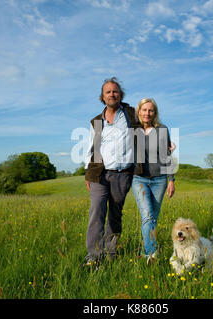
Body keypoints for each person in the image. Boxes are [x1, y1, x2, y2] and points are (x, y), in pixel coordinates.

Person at [84, 77, 140, 266]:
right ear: (102, 96)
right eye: (108, 91)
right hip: (99, 174)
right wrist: (87, 173)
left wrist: (165, 141)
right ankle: (94, 256)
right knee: (97, 211)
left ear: (120, 95)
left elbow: (150, 124)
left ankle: (110, 253)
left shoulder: (132, 114)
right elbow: (89, 148)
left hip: (123, 173)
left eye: (115, 91)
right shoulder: (96, 121)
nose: (112, 94)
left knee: (115, 214)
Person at [131, 98, 175, 265]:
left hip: (159, 180)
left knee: (152, 218)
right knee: (148, 216)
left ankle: (145, 251)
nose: (147, 113)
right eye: (144, 110)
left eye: (150, 110)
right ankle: (152, 255)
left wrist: (171, 180)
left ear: (154, 113)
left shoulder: (162, 129)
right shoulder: (132, 129)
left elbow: (167, 155)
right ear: (138, 111)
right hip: (138, 178)